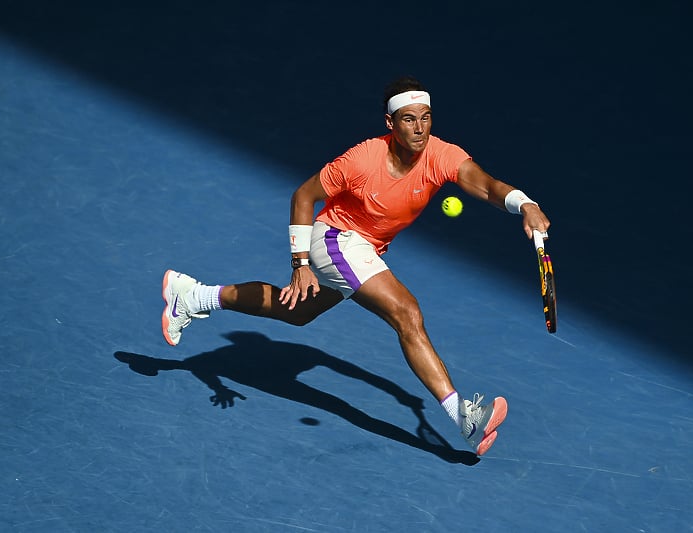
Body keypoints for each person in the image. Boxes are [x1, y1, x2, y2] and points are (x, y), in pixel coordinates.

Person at [161, 76, 551, 456]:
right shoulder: (362, 158)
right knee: (406, 312)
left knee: (295, 312)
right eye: (409, 119)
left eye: (426, 117)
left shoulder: (441, 154)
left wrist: (526, 204)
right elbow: (304, 195)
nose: (420, 128)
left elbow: (485, 185)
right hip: (334, 240)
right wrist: (300, 263)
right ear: (391, 123)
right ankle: (463, 416)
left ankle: (194, 296)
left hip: (365, 249)